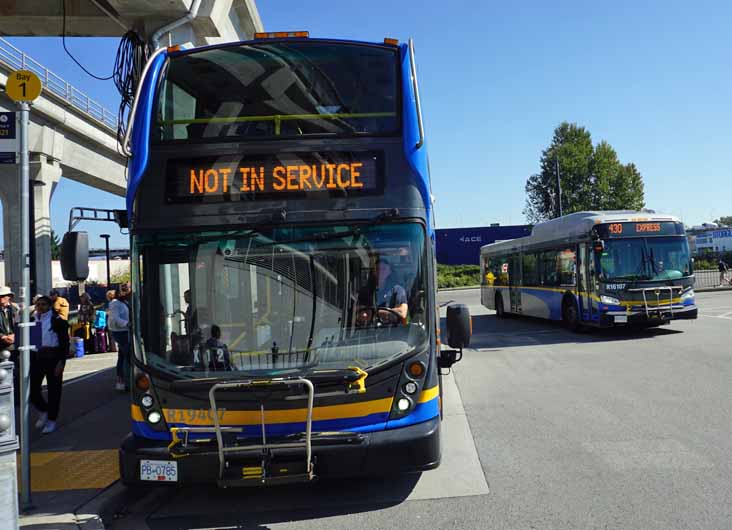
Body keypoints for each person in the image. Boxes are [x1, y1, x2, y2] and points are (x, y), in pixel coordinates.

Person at [29, 295, 70, 434]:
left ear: (49, 306)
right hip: (37, 357)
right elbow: (33, 342)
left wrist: (61, 362)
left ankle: (52, 420)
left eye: (43, 305)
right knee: (32, 389)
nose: (40, 307)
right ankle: (44, 410)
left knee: (54, 390)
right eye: (38, 305)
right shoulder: (33, 319)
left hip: (53, 358)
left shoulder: (57, 321)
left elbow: (65, 343)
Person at [357, 257, 408, 325]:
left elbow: (403, 312)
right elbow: (357, 311)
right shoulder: (365, 291)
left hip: (393, 331)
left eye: (383, 269)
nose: (380, 272)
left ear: (389, 271)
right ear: (374, 272)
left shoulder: (398, 290)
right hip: (368, 330)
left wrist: (378, 312)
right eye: (378, 269)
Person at [108, 288, 130, 391]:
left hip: (125, 331)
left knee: (122, 356)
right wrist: (126, 323)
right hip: (121, 332)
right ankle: (124, 381)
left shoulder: (123, 302)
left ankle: (121, 381)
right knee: (127, 356)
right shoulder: (115, 303)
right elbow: (114, 319)